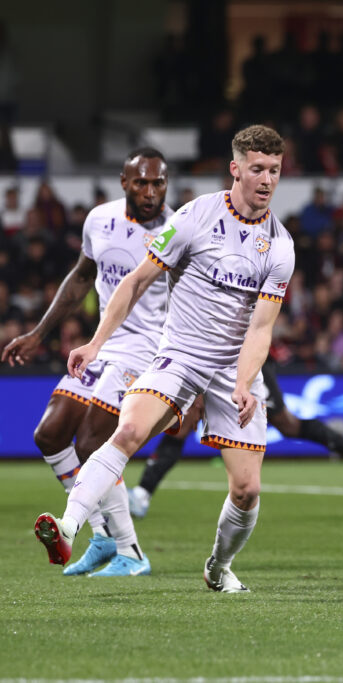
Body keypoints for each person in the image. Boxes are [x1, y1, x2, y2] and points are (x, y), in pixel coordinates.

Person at [33, 125, 295, 594]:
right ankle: (69, 526)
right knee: (128, 430)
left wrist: (243, 382)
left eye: (274, 170)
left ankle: (218, 566)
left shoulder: (279, 245)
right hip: (178, 354)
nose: (266, 179)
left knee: (247, 491)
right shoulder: (195, 216)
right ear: (236, 169)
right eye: (257, 168)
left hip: (232, 370)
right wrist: (95, 343)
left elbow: (261, 327)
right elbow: (134, 281)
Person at [2, 148, 174, 577]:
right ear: (124, 182)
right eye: (142, 182)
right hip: (103, 343)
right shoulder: (100, 220)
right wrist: (38, 333)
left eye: (158, 183)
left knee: (92, 442)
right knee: (50, 434)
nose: (151, 192)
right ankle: (102, 536)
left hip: (148, 350)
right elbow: (82, 277)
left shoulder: (179, 230)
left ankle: (130, 552)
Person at [127, 357, 343, 519]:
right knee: (183, 423)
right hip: (205, 357)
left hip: (245, 362)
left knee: (287, 424)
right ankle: (142, 493)